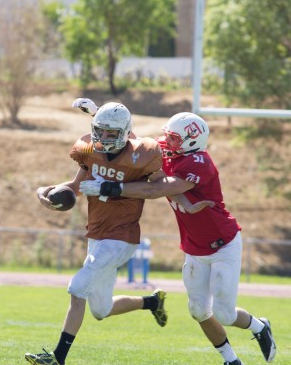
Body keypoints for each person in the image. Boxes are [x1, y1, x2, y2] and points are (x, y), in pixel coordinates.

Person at [78, 101, 276, 365]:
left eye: (173, 138)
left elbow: (154, 190)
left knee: (225, 314)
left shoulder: (199, 163)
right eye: (168, 136)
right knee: (198, 311)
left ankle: (260, 327)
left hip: (222, 245)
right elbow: (130, 140)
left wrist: (108, 190)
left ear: (191, 141)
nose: (166, 142)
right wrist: (97, 113)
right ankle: (231, 360)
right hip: (194, 246)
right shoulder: (169, 150)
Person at [25, 102, 212, 365]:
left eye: (111, 133)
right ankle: (151, 303)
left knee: (77, 287)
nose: (103, 138)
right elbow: (76, 186)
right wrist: (43, 191)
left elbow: (160, 186)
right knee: (101, 310)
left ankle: (58, 358)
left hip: (121, 237)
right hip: (97, 234)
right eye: (99, 131)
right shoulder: (88, 149)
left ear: (124, 132)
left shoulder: (142, 154)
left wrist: (188, 202)